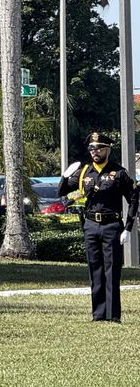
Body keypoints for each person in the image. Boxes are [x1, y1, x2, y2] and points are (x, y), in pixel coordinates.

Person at [58, 132, 139, 322]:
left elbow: (134, 199)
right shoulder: (84, 172)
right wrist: (64, 177)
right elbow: (62, 192)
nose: (94, 152)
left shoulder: (119, 173)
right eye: (91, 149)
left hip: (112, 225)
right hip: (91, 225)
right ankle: (98, 314)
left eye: (99, 148)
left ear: (108, 150)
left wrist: (128, 228)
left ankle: (113, 315)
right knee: (95, 269)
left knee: (111, 271)